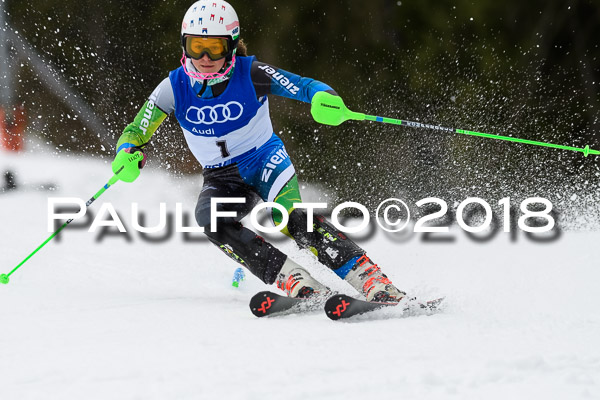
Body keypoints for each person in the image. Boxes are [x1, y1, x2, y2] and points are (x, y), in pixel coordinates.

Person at [112, 0, 405, 303]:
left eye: (215, 47)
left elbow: (302, 86)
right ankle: (296, 280)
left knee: (292, 219)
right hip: (222, 177)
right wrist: (127, 151)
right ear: (184, 45)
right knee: (211, 220)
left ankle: (371, 279)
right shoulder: (172, 88)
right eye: (196, 45)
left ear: (232, 45)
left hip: (264, 159)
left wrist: (324, 97)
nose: (204, 57)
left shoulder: (251, 72)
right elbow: (137, 131)